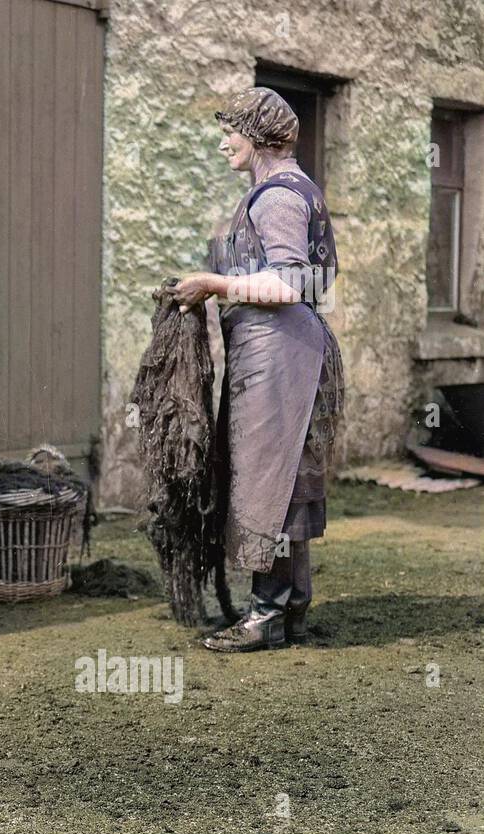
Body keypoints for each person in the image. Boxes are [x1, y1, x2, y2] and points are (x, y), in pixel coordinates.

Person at [170, 88, 344, 653]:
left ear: (260, 136)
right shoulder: (281, 191)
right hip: (274, 352)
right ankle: (288, 612)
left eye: (233, 131)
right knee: (284, 482)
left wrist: (213, 284)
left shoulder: (278, 198)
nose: (225, 142)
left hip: (281, 355)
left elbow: (291, 282)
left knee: (270, 481)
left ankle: (266, 616)